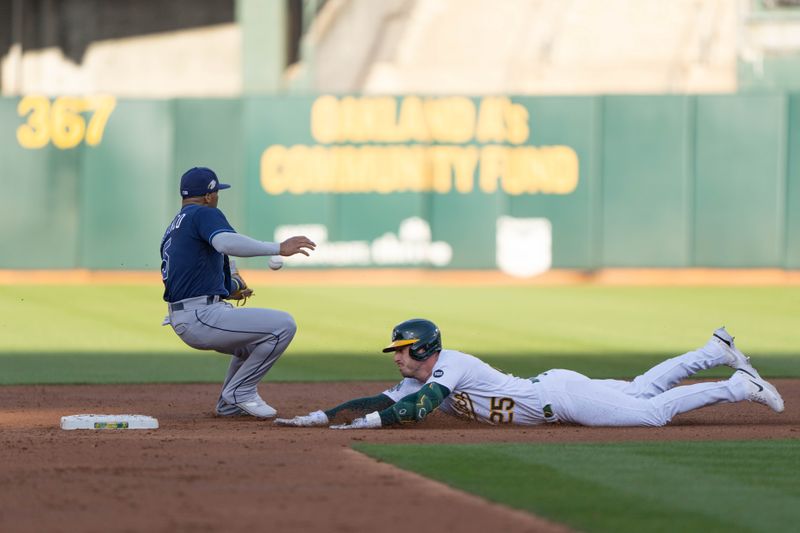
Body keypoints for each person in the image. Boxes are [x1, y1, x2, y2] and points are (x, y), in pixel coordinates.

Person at [275, 318, 784, 429]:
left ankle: (735, 385)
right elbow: (386, 400)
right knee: (636, 390)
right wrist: (320, 417)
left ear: (425, 349)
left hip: (559, 401)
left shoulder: (451, 366)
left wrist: (360, 427)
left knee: (648, 414)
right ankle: (711, 349)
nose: (396, 358)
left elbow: (416, 411)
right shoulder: (421, 377)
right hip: (551, 385)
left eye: (403, 351)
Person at [160, 166, 315, 419]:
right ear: (209, 195)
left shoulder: (176, 226)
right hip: (200, 315)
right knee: (283, 325)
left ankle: (228, 404)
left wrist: (230, 288)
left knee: (251, 344)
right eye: (217, 192)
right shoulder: (204, 213)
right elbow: (224, 242)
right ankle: (240, 392)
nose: (218, 197)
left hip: (190, 313)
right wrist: (278, 247)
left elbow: (189, 275)